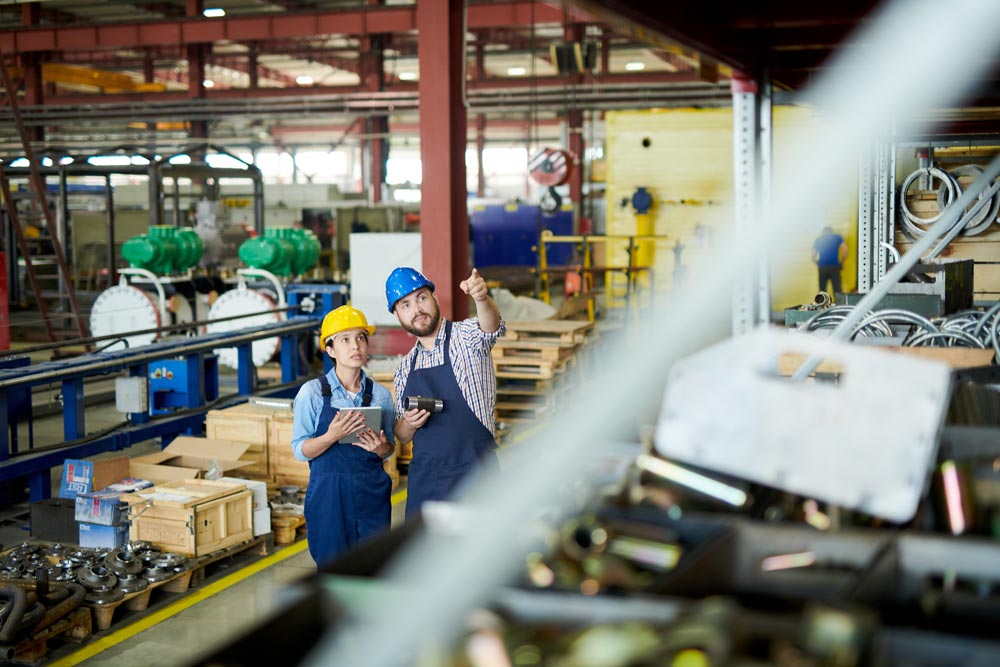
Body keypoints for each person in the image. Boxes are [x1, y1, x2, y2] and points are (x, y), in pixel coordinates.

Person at [386, 266, 504, 517]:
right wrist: (409, 423)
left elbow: (491, 325)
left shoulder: (467, 338)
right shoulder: (405, 368)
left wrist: (481, 298)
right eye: (405, 305)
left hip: (477, 477)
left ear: (434, 298)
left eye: (421, 298)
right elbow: (402, 434)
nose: (416, 309)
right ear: (398, 316)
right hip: (427, 483)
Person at [290, 305, 395, 568]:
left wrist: (381, 448)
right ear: (330, 350)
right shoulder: (312, 393)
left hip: (371, 492)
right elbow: (300, 450)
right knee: (333, 569)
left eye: (360, 337)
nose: (355, 346)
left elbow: (390, 449)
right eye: (345, 339)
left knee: (374, 566)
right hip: (330, 496)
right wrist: (330, 435)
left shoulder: (381, 395)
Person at [811, 226, 847, 298]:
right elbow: (845, 250)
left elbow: (813, 255)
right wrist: (841, 262)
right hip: (834, 266)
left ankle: (822, 306)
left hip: (822, 266)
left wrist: (817, 263)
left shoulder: (819, 239)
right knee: (837, 289)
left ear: (823, 232)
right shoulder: (837, 237)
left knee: (822, 289)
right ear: (832, 232)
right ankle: (839, 305)